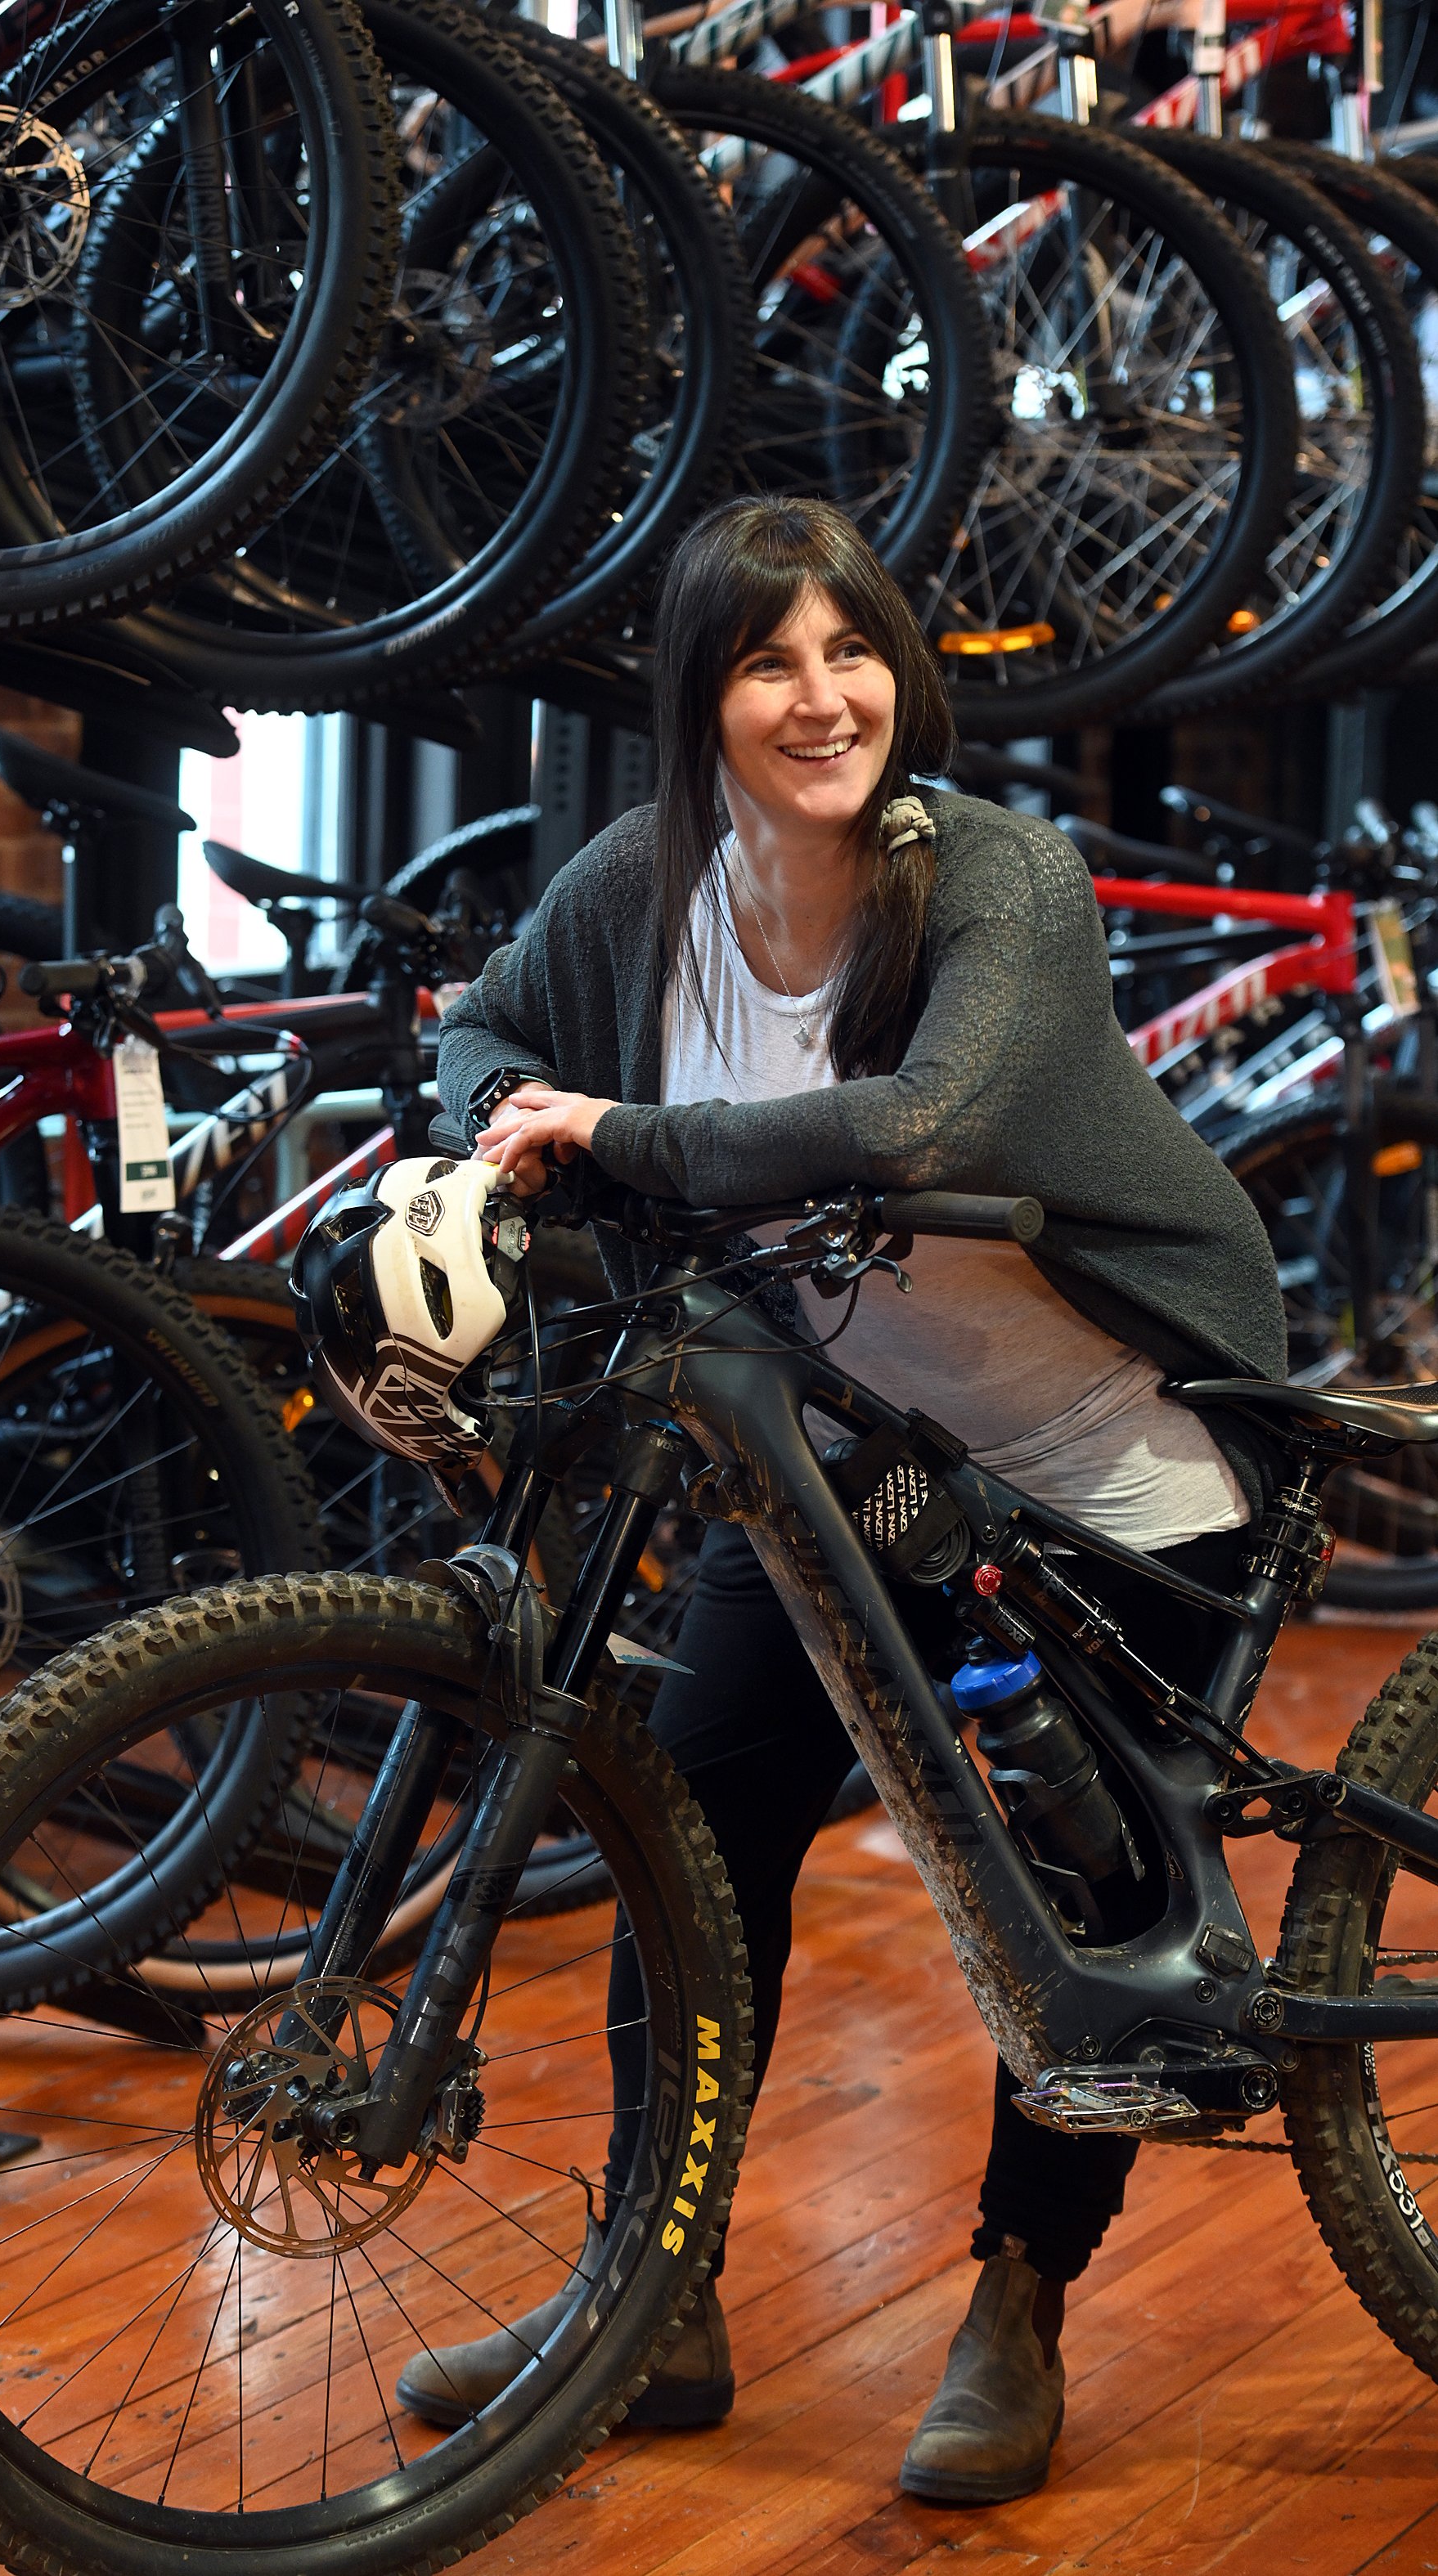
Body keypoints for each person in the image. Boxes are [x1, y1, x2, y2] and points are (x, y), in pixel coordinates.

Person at [411, 495, 1287, 2504]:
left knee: (1086, 1896)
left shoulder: (1001, 875)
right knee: (692, 1846)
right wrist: (506, 1123)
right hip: (845, 1451)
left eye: (853, 652)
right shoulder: (649, 882)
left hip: (1113, 1441)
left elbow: (929, 1124)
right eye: (767, 662)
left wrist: (621, 1129)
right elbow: (484, 1029)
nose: (823, 701)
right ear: (699, 699)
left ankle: (1018, 2306)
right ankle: (656, 2289)